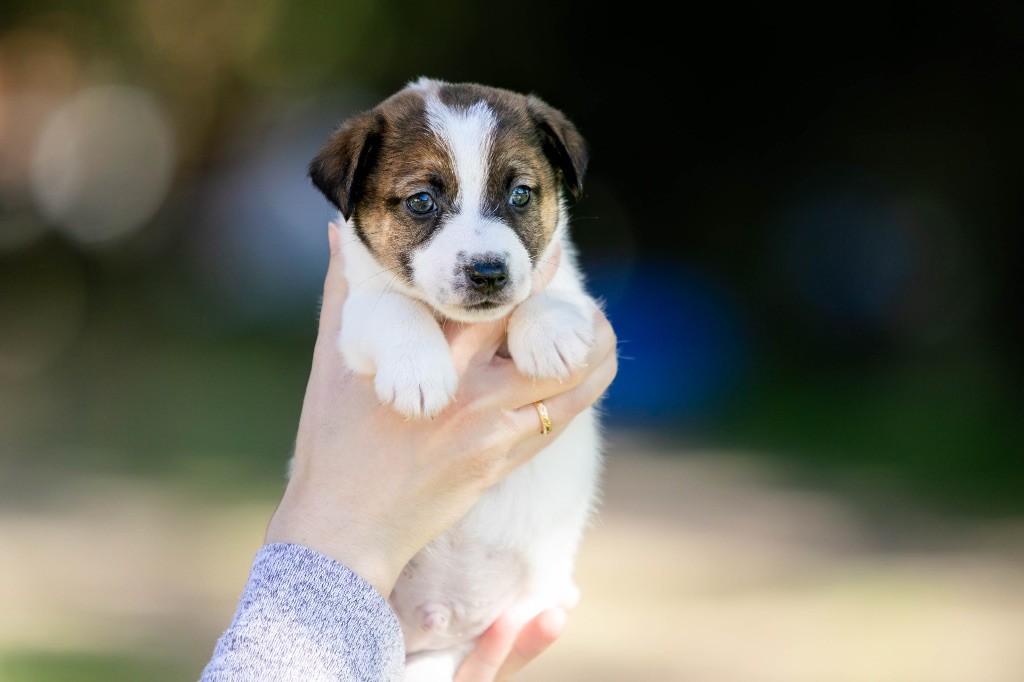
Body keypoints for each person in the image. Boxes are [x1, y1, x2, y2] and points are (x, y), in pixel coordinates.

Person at [201, 223, 618, 681]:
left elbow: (577, 323)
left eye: (517, 195)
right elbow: (366, 323)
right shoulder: (375, 284)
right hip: (375, 608)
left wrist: (541, 315)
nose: (481, 248)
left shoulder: (546, 268)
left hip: (477, 633)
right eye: (422, 204)